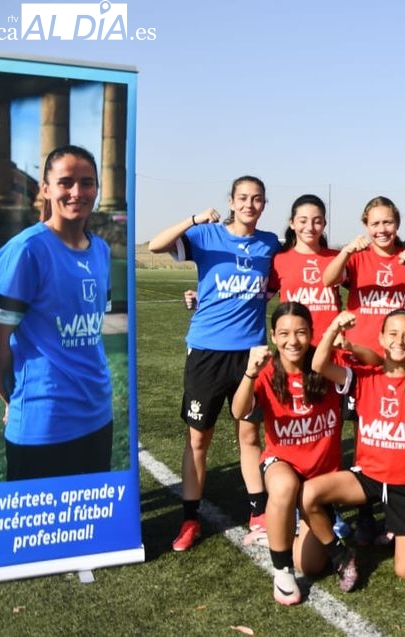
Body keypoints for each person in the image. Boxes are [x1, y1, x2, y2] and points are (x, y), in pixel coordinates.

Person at [148, 175, 281, 551]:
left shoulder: (269, 244)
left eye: (257, 199)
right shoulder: (207, 236)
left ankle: (258, 514)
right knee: (198, 439)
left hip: (250, 355)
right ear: (231, 201)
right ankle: (190, 519)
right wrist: (193, 219)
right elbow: (156, 245)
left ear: (263, 204)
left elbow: (274, 285)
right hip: (206, 351)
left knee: (249, 434)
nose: (249, 205)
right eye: (242, 198)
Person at [0, 144, 114, 481]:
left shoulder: (102, 250)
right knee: (34, 532)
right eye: (65, 182)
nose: (77, 192)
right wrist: (14, 399)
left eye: (87, 182)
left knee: (89, 525)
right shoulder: (26, 250)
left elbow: (91, 329)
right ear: (45, 188)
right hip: (43, 424)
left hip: (98, 417)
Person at [301, 310, 405, 591]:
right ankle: (342, 555)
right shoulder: (364, 378)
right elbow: (319, 364)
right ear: (381, 338)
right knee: (308, 495)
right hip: (367, 477)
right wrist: (333, 328)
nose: (399, 340)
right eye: (392, 333)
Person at [231, 303, 343, 605]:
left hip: (321, 480)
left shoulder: (328, 364)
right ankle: (281, 574)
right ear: (273, 336)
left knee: (311, 566)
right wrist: (249, 374)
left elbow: (370, 366)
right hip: (283, 464)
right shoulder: (266, 371)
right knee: (283, 485)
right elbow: (238, 411)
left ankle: (282, 532)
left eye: (301, 332)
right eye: (284, 333)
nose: (292, 341)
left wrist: (350, 343)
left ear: (311, 334)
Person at [322, 196, 405, 352]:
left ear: (397, 224)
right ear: (366, 226)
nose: (382, 230)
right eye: (375, 224)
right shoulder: (357, 256)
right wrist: (346, 251)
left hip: (400, 353)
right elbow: (328, 280)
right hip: (358, 351)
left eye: (388, 222)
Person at [269, 194, 341, 346]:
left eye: (317, 222)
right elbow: (260, 299)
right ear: (292, 223)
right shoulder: (279, 260)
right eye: (303, 221)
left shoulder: (337, 258)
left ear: (324, 224)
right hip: (294, 346)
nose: (310, 227)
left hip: (331, 346)